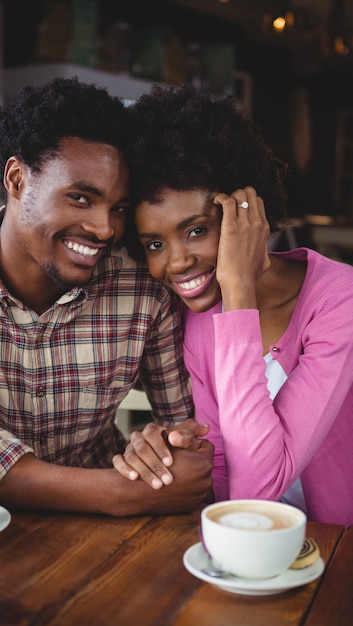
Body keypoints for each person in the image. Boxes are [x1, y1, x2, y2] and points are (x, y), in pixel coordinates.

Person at [0, 77, 213, 516]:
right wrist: (112, 494)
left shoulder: (142, 288)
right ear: (16, 179)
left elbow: (190, 427)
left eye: (119, 209)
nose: (105, 229)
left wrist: (166, 444)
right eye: (81, 197)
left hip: (104, 536)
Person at [112, 83, 353, 526]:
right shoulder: (201, 322)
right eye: (153, 243)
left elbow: (258, 489)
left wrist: (239, 287)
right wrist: (182, 450)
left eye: (196, 230)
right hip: (252, 548)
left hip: (336, 550)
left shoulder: (339, 301)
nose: (177, 261)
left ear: (247, 211)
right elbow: (226, 482)